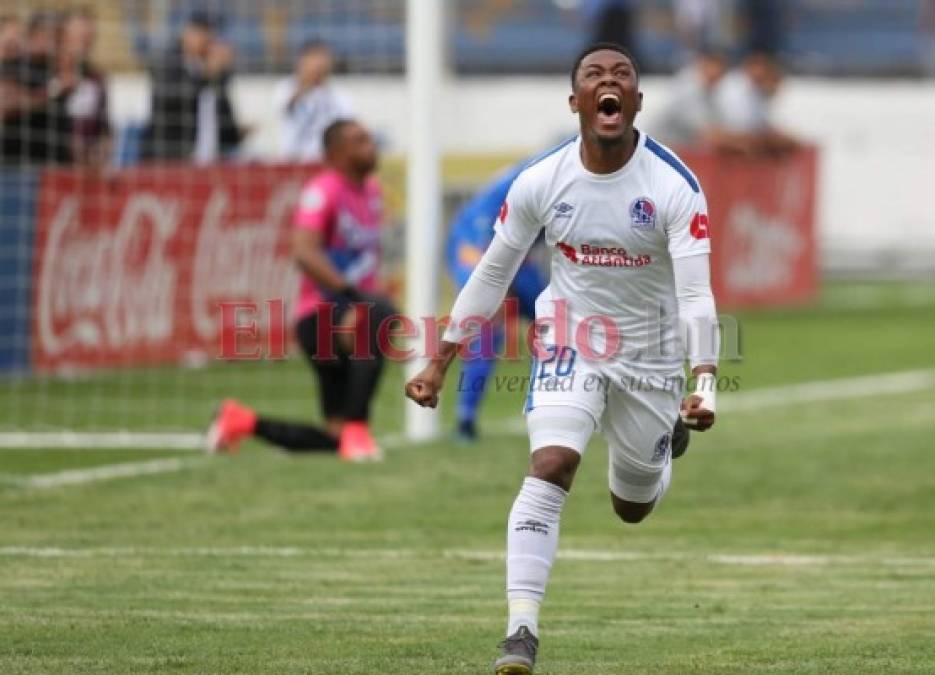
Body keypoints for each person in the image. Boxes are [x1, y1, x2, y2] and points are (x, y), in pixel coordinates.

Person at [405, 43, 719, 674]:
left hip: (652, 356)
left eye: (622, 76)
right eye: (595, 77)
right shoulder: (540, 182)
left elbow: (695, 293)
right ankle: (521, 630)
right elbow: (493, 273)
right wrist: (441, 357)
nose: (610, 84)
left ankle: (663, 451)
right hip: (570, 335)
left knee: (631, 507)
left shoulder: (674, 185)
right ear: (576, 101)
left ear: (636, 101)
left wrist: (705, 379)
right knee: (551, 463)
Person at [208, 119, 396, 462]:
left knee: (332, 439)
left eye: (369, 138)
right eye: (360, 141)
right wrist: (353, 293)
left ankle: (241, 421)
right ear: (336, 152)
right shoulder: (322, 190)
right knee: (381, 315)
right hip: (321, 315)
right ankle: (358, 430)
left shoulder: (371, 192)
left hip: (351, 315)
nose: (370, 145)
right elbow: (303, 251)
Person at [445, 159, 547, 442]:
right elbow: (484, 220)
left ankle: (552, 408)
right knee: (488, 320)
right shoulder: (531, 177)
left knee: (556, 322)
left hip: (517, 250)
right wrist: (498, 283)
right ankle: (465, 419)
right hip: (476, 243)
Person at [141, 12, 243, 163]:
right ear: (187, 34)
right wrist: (206, 75)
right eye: (202, 34)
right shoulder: (167, 62)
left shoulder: (212, 72)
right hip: (170, 160)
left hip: (208, 162)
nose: (206, 41)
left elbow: (225, 121)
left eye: (209, 36)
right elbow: (172, 98)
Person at [0, 12, 71, 165]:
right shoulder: (14, 65)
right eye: (54, 37)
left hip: (53, 165)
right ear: (34, 35)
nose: (57, 45)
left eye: (60, 39)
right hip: (18, 166)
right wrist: (54, 90)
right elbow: (7, 104)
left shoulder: (54, 70)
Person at [274, 40, 351, 163]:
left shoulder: (339, 94)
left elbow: (346, 125)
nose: (320, 63)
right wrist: (306, 83)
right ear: (302, 61)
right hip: (294, 159)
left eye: (325, 57)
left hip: (326, 160)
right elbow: (286, 107)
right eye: (315, 57)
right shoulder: (286, 87)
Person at [713, 51, 800, 155]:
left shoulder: (757, 91)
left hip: (744, 137)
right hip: (723, 137)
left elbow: (759, 125)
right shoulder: (732, 86)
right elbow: (733, 127)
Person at [56, 9, 110, 167]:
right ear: (63, 37)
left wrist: (103, 150)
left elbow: (105, 126)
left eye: (90, 38)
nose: (86, 43)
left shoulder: (96, 78)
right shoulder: (45, 70)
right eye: (81, 37)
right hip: (52, 166)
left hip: (86, 170)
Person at [649, 48, 727, 147]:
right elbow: (705, 133)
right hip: (660, 147)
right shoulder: (687, 86)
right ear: (703, 65)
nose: (716, 74)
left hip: (683, 147)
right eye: (713, 67)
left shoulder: (711, 91)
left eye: (721, 71)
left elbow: (717, 127)